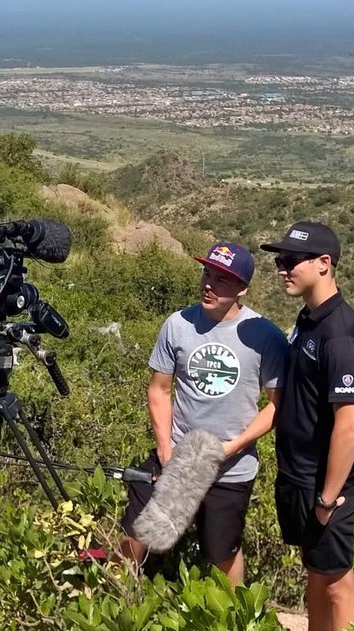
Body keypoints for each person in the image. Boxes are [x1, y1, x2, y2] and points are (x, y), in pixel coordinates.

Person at [120, 242, 288, 586]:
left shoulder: (265, 336)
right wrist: (166, 450)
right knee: (137, 534)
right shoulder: (178, 324)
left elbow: (276, 405)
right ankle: (116, 599)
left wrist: (231, 448)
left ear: (242, 288)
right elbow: (159, 390)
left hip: (231, 469)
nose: (209, 284)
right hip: (177, 457)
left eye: (223, 279)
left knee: (222, 551)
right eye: (207, 274)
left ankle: (235, 615)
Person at [261, 221, 354, 631]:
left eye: (291, 260)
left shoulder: (340, 335)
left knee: (336, 580)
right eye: (280, 260)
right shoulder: (309, 320)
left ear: (324, 264)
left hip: (328, 486)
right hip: (301, 476)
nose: (282, 269)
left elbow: (349, 425)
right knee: (316, 569)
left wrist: (327, 499)